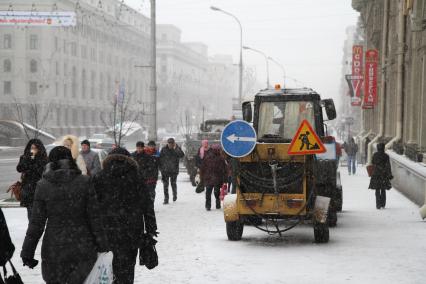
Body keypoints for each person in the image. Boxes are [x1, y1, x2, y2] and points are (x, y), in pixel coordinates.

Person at [21, 146, 100, 284]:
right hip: (83, 246)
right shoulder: (85, 182)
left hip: (54, 248)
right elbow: (94, 217)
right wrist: (103, 245)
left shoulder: (43, 185)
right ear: (71, 160)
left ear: (50, 163)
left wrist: (27, 251)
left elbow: (36, 223)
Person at [92, 147, 157, 283]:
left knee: (108, 266)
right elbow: (147, 205)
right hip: (132, 231)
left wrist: (93, 229)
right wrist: (151, 229)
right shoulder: (137, 177)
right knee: (127, 267)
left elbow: (92, 206)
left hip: (107, 230)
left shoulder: (99, 177)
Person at [16, 138, 48, 220]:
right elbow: (19, 168)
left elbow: (41, 171)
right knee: (30, 212)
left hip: (39, 188)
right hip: (28, 188)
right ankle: (31, 229)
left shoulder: (43, 158)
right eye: (31, 148)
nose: (33, 150)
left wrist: (32, 164)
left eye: (35, 148)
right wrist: (27, 159)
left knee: (39, 213)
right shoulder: (25, 157)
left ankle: (36, 229)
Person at [200, 144, 227, 211]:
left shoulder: (209, 157)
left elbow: (203, 168)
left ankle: (208, 205)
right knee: (215, 192)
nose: (218, 151)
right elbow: (225, 169)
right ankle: (216, 204)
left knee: (209, 193)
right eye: (218, 150)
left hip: (210, 178)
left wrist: (202, 176)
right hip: (215, 178)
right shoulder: (221, 158)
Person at [159, 138, 184, 204]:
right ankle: (166, 199)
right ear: (168, 143)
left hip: (174, 170)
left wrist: (176, 148)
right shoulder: (164, 149)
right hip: (165, 171)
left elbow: (182, 155)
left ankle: (174, 195)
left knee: (173, 184)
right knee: (165, 185)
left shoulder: (176, 149)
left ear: (174, 143)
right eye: (169, 143)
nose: (170, 144)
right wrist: (161, 169)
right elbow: (160, 159)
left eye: (172, 143)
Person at [369, 143, 393, 209]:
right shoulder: (386, 156)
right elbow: (388, 166)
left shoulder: (375, 155)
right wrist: (389, 174)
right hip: (383, 174)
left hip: (376, 174)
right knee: (383, 189)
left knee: (377, 189)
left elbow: (373, 162)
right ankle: (383, 203)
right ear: (383, 148)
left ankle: (378, 204)